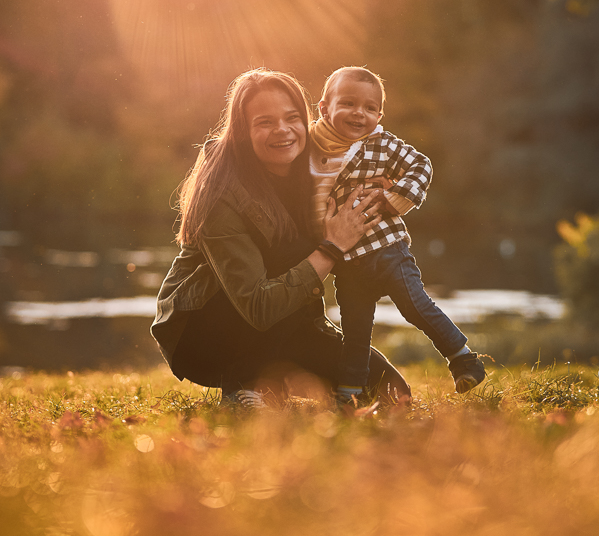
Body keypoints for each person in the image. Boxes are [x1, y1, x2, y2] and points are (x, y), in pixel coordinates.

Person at [151, 68, 412, 407]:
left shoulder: (316, 167)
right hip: (205, 333)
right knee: (288, 252)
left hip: (289, 325)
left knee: (393, 392)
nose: (283, 131)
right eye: (265, 122)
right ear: (244, 132)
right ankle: (243, 385)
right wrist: (332, 246)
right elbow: (259, 305)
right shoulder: (221, 193)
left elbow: (374, 162)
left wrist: (381, 189)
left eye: (292, 118)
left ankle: (275, 381)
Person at [309, 65, 486, 402]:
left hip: (386, 248)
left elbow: (421, 166)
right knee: (356, 330)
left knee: (414, 305)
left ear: (379, 114)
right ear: (324, 108)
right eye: (347, 103)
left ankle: (464, 360)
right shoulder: (310, 146)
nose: (359, 114)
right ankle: (349, 393)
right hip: (346, 261)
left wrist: (393, 199)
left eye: (370, 108)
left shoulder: (381, 144)